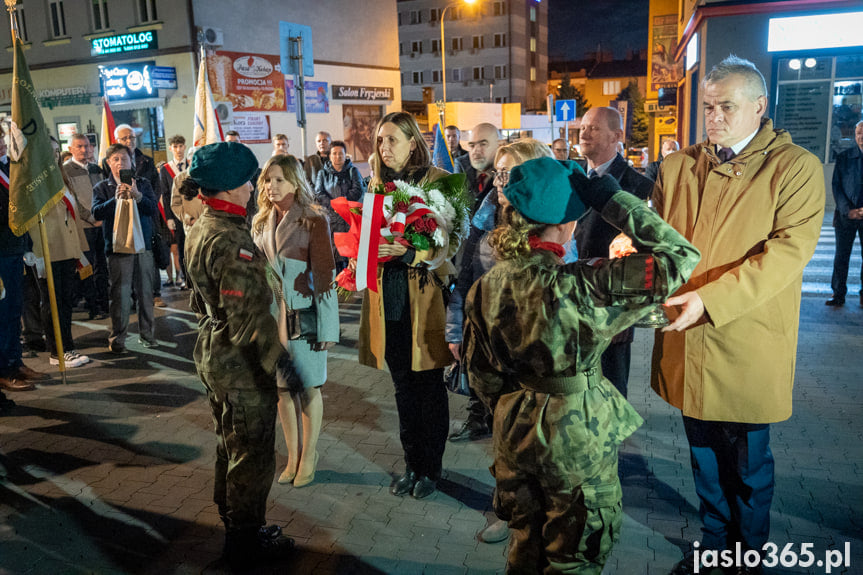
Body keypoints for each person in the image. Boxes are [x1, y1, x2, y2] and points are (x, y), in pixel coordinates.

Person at [463, 156, 700, 574]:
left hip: (514, 431)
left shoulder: (488, 284)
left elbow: (480, 373)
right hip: (577, 439)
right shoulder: (585, 284)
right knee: (574, 559)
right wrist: (611, 200)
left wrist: (515, 409)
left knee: (525, 549)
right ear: (566, 225)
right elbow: (679, 256)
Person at [651, 56, 824, 575]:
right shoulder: (680, 165)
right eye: (708, 106)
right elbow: (658, 234)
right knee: (703, 458)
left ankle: (748, 556)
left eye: (727, 106)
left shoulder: (794, 168)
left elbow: (787, 255)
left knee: (748, 466)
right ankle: (712, 545)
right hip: (687, 335)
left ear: (759, 106)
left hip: (744, 340)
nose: (716, 116)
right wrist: (629, 245)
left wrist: (712, 301)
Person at [183, 141, 297, 568]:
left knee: (228, 445)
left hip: (214, 353)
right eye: (248, 181)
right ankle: (244, 545)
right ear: (230, 189)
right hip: (240, 365)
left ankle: (235, 527)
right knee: (251, 454)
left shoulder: (202, 225)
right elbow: (249, 320)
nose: (255, 188)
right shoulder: (233, 242)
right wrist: (285, 367)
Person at [447, 138, 552, 545]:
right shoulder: (483, 215)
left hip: (537, 354)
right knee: (503, 441)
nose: (502, 181)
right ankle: (506, 511)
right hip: (492, 353)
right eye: (499, 172)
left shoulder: (550, 217)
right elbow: (465, 277)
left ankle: (540, 517)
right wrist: (456, 330)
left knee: (537, 442)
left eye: (512, 173)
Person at [359, 111, 457, 500]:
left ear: (413, 141)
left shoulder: (443, 183)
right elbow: (367, 242)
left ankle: (431, 468)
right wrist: (359, 257)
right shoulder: (377, 186)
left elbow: (455, 244)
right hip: (390, 299)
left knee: (429, 387)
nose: (384, 148)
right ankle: (412, 463)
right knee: (402, 386)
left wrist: (410, 250)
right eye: (380, 141)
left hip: (427, 300)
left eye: (392, 140)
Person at [252, 154, 339, 488]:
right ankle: (291, 456)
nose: (272, 187)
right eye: (267, 180)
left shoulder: (314, 219)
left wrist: (329, 327)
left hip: (305, 315)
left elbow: (325, 274)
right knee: (282, 391)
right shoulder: (260, 220)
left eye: (279, 180)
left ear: (295, 181)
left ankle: (309, 455)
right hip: (273, 318)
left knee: (307, 388)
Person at [575, 106, 654, 398]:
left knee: (610, 386)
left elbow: (644, 251)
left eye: (593, 128)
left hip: (610, 304)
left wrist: (625, 311)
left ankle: (612, 442)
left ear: (617, 135)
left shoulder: (638, 187)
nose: (584, 133)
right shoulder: (572, 179)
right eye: (582, 127)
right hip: (570, 297)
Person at [28, 137, 91, 368]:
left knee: (65, 302)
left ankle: (69, 347)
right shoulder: (34, 182)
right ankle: (57, 351)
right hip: (48, 250)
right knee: (51, 302)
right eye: (49, 151)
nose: (54, 156)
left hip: (67, 249)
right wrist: (37, 254)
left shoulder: (60, 178)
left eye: (57, 151)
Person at [92, 143, 159, 353]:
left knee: (145, 293)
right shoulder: (102, 187)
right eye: (116, 159)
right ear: (109, 164)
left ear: (132, 162)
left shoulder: (143, 183)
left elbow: (152, 208)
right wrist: (115, 199)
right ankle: (118, 338)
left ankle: (147, 335)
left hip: (143, 247)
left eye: (125, 159)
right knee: (120, 295)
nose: (121, 163)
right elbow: (96, 213)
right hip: (118, 249)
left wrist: (138, 195)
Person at [0, 126, 49, 395]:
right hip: (1, 251)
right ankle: (5, 370)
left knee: (14, 310)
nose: (0, 143)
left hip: (14, 248)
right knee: (3, 312)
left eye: (0, 138)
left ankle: (15, 362)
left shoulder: (10, 168)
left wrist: (27, 246)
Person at [114, 124, 165, 308]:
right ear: (117, 141)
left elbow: (156, 188)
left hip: (145, 211)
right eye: (125, 138)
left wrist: (144, 201)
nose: (129, 141)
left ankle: (156, 293)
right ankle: (134, 296)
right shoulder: (110, 162)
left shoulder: (146, 161)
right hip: (123, 214)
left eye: (132, 137)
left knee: (149, 251)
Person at [64, 133, 109, 319]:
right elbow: (71, 199)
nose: (84, 149)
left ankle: (104, 303)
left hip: (102, 225)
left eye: (87, 146)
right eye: (80, 146)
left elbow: (104, 193)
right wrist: (92, 218)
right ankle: (92, 306)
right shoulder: (65, 170)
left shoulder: (96, 168)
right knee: (86, 267)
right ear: (71, 149)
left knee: (103, 266)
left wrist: (103, 216)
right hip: (83, 227)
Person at [826, 120, 863, 307]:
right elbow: (836, 186)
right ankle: (838, 294)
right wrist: (848, 210)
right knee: (841, 256)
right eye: (858, 134)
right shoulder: (845, 157)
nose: (861, 137)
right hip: (845, 216)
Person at [314, 140, 365, 271]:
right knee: (334, 255)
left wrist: (344, 203)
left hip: (349, 219)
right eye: (334, 154)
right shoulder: (322, 173)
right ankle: (337, 284)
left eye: (340, 154)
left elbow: (357, 189)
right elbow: (319, 193)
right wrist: (334, 205)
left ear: (345, 155)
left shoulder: (353, 171)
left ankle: (351, 284)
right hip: (331, 220)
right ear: (329, 156)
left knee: (351, 254)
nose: (338, 157)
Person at [157, 135, 186, 289]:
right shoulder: (166, 169)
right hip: (176, 214)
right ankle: (185, 278)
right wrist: (169, 217)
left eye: (181, 146)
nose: (178, 149)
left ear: (185, 147)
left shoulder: (191, 165)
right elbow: (165, 194)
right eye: (175, 146)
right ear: (170, 149)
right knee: (180, 247)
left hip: (193, 213)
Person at [454, 123, 500, 214]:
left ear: (499, 145)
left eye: (483, 144)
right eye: (472, 145)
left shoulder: (506, 172)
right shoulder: (462, 165)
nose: (476, 150)